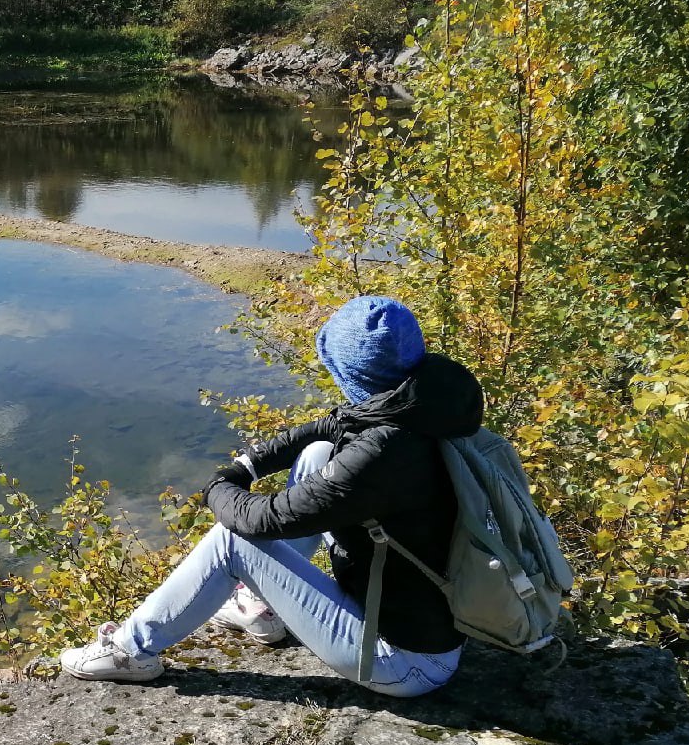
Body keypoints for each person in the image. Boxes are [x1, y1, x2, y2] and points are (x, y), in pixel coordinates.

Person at [60, 295, 481, 697]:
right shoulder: (421, 408)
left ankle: (129, 652)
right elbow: (325, 429)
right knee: (318, 454)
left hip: (402, 661)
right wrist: (247, 466)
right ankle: (260, 606)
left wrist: (216, 489)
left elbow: (265, 521)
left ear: (346, 370)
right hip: (431, 626)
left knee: (232, 540)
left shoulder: (382, 454)